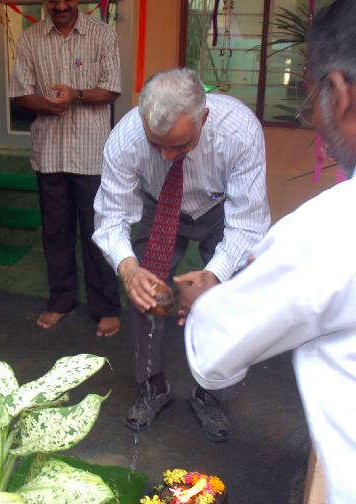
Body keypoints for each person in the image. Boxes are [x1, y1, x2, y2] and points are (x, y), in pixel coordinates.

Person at [183, 1, 356, 500]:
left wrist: (209, 294)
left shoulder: (329, 230)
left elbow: (216, 349)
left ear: (339, 93)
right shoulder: (129, 138)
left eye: (311, 98)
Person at [93, 68, 270, 441]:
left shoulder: (239, 130)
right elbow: (111, 216)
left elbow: (249, 223)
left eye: (180, 145)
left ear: (203, 117)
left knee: (228, 296)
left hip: (221, 209)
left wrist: (213, 276)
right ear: (143, 118)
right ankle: (153, 386)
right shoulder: (125, 139)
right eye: (157, 144)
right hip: (159, 203)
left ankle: (211, 393)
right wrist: (129, 270)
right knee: (147, 292)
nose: (167, 155)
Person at [8, 0, 123, 338]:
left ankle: (106, 307)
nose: (61, 5)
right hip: (50, 153)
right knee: (56, 233)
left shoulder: (102, 35)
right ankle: (62, 301)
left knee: (97, 232)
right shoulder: (30, 39)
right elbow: (20, 93)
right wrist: (47, 105)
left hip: (91, 155)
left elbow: (112, 88)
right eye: (53, 0)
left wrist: (76, 96)